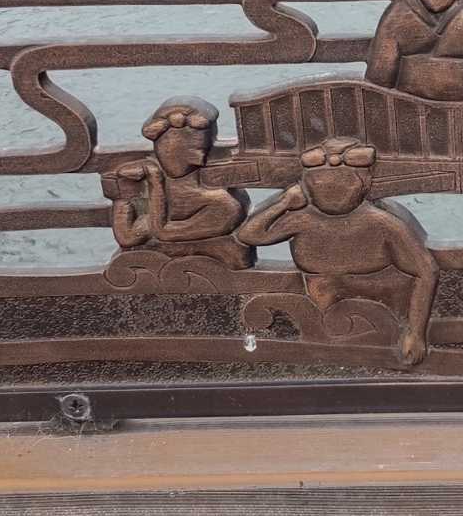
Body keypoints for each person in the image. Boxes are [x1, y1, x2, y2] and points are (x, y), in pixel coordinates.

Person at [237, 136, 438, 367]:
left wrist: (416, 333)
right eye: (321, 184)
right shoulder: (303, 220)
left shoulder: (382, 224)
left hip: (382, 319)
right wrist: (283, 203)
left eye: (342, 184)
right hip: (321, 318)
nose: (331, 192)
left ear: (365, 182)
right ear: (306, 185)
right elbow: (249, 235)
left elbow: (426, 270)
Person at [110, 99, 252, 268]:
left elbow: (162, 231)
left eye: (203, 150)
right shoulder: (163, 171)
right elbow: (127, 237)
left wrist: (155, 179)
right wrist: (121, 196)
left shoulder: (223, 204)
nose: (200, 159)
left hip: (192, 252)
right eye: (193, 151)